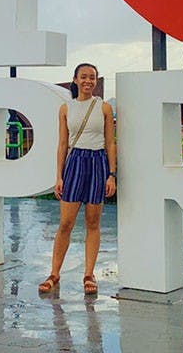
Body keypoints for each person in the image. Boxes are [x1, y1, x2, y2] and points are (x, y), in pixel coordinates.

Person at [38, 63, 116, 296]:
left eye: (92, 77)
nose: (88, 81)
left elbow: (110, 142)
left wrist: (111, 174)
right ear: (75, 79)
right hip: (75, 162)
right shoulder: (65, 108)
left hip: (97, 162)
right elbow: (62, 144)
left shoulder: (103, 108)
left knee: (93, 222)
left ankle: (89, 274)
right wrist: (59, 176)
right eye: (83, 77)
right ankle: (54, 273)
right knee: (66, 223)